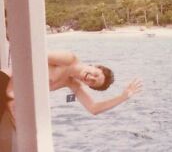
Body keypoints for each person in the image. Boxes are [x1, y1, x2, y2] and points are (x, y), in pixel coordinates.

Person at [1, 50, 142, 126]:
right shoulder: (69, 59)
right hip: (4, 82)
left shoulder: (72, 83)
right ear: (95, 66)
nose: (90, 78)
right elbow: (31, 54)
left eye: (93, 82)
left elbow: (93, 108)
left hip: (8, 97)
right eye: (96, 74)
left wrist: (123, 97)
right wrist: (13, 92)